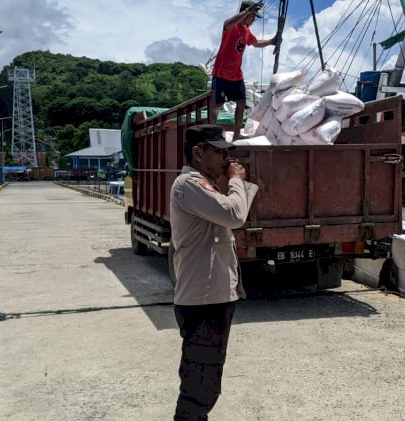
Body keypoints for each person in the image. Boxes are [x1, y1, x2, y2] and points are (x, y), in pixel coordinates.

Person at [169, 124, 259, 420]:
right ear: (198, 153)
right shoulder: (189, 185)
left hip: (213, 298)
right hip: (203, 301)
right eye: (219, 152)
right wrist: (237, 181)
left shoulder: (204, 185)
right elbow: (234, 215)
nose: (226, 159)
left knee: (205, 381)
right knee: (200, 388)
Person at [212, 1, 277, 139]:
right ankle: (211, 130)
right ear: (245, 13)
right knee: (218, 104)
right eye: (253, 16)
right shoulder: (232, 26)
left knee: (241, 103)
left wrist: (272, 41)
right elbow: (227, 24)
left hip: (236, 75)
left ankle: (236, 134)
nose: (253, 20)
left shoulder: (246, 32)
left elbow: (256, 43)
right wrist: (247, 11)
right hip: (221, 73)